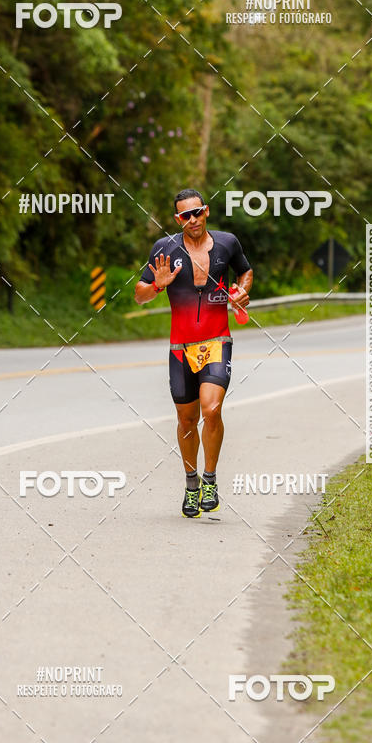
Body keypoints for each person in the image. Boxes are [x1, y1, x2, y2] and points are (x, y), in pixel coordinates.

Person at [135, 189, 253, 518]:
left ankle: (211, 479)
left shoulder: (228, 243)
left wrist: (243, 291)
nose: (193, 220)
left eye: (197, 212)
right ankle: (191, 484)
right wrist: (157, 284)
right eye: (185, 216)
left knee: (211, 409)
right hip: (180, 348)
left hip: (217, 340)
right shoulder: (164, 249)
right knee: (187, 420)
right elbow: (139, 296)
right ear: (177, 220)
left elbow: (245, 271)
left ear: (206, 212)